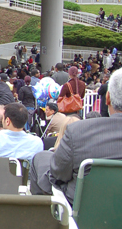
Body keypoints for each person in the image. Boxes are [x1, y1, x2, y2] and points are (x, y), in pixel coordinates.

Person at [30, 67, 122, 203]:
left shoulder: (78, 132)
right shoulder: (77, 130)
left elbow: (58, 174)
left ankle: (42, 220)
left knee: (41, 158)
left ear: (107, 98)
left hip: (82, 209)